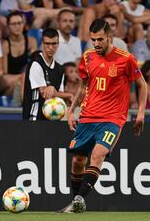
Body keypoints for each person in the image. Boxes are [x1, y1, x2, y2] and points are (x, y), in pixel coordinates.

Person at [59, 18, 147, 213]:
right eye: (93, 40)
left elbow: (142, 84)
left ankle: (80, 198)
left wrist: (140, 113)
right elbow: (83, 86)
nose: (96, 44)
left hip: (113, 119)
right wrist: (71, 111)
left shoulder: (126, 59)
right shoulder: (88, 57)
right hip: (88, 116)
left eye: (100, 39)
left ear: (109, 37)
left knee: (98, 155)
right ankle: (75, 203)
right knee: (77, 161)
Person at [22, 28, 73, 121]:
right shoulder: (36, 64)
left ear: (58, 44)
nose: (50, 47)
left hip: (53, 118)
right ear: (42, 44)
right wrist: (68, 95)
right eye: (47, 44)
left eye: (54, 44)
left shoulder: (59, 69)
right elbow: (44, 93)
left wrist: (54, 90)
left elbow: (59, 94)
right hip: (34, 117)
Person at [0, 10, 37, 97]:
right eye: (13, 24)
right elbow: (4, 73)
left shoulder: (31, 41)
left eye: (19, 23)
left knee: (21, 82)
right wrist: (22, 77)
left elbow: (35, 65)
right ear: (8, 26)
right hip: (8, 79)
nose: (17, 26)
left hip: (22, 79)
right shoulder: (5, 45)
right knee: (22, 79)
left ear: (23, 24)